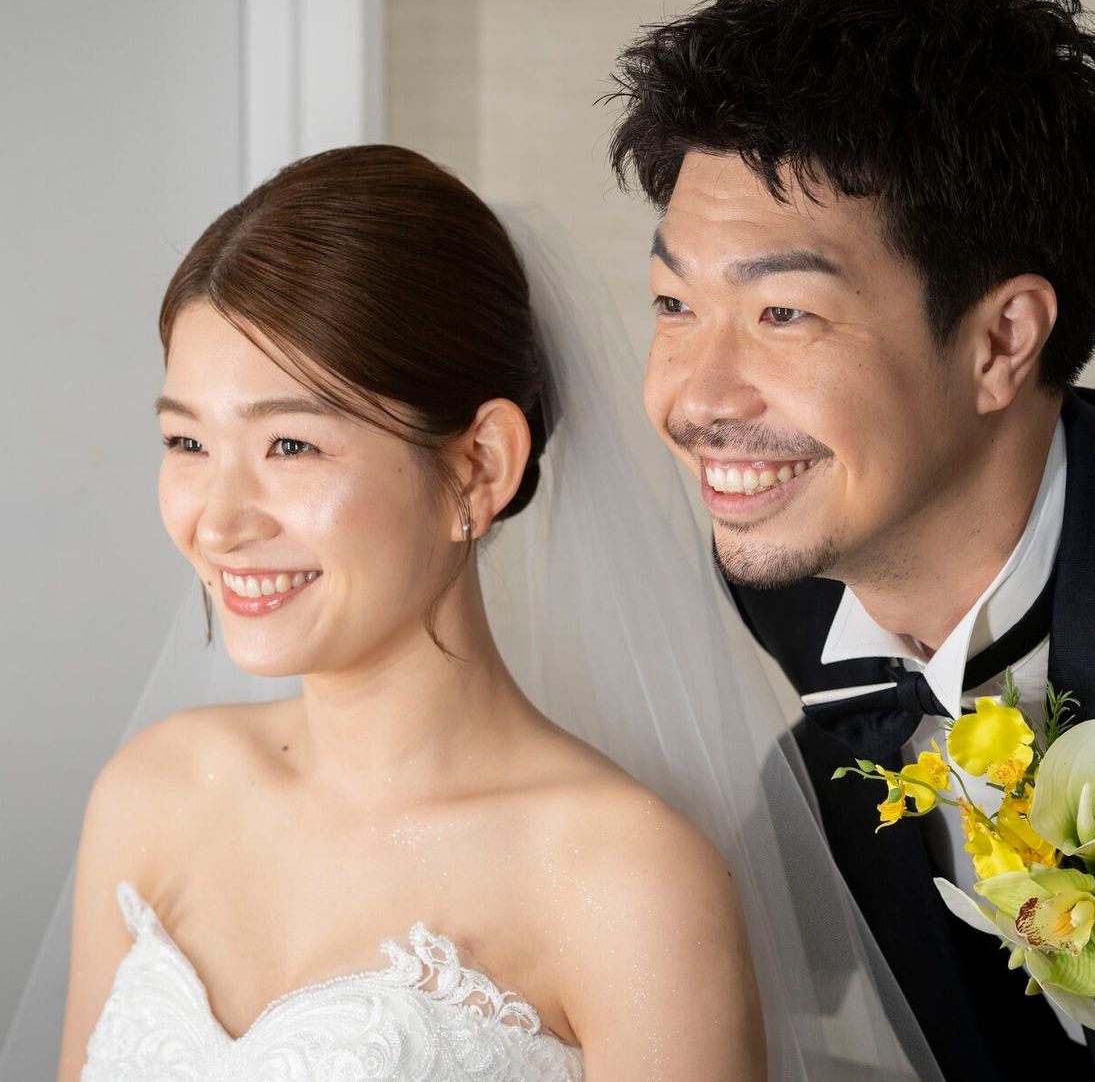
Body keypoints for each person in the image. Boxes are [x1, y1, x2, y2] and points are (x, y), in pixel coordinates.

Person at [41, 145, 936, 1080]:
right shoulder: (151, 793)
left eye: (291, 445)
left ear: (479, 466)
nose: (219, 522)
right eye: (186, 441)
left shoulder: (624, 879)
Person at [608, 0, 1095, 1082]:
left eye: (782, 314)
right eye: (672, 303)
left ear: (999, 341)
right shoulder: (783, 565)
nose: (693, 400)